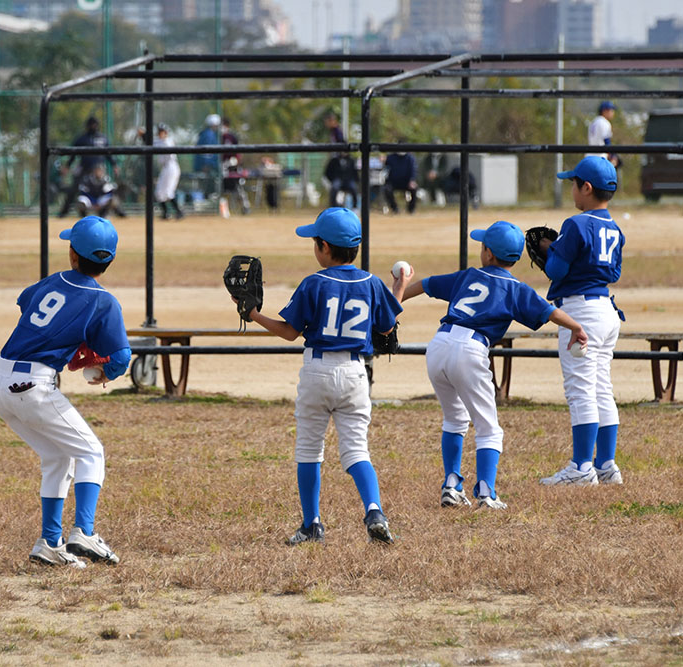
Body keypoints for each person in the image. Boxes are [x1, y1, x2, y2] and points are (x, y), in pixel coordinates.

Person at [244, 207, 406, 545]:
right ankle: (374, 510)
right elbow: (387, 328)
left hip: (317, 370)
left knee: (308, 449)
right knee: (357, 450)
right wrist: (397, 286)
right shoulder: (371, 282)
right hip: (355, 373)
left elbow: (290, 332)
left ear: (325, 248)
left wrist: (253, 313)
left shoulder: (314, 283)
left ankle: (311, 523)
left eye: (316, 242)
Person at [399, 221, 588, 509]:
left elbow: (425, 285)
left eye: (482, 245)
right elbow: (550, 312)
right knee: (488, 428)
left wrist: (395, 300)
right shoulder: (516, 289)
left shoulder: (468, 276)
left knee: (455, 419)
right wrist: (576, 327)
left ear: (488, 254)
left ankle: (451, 485)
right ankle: (486, 494)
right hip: (470, 349)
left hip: (439, 345)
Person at [0, 215, 131, 567]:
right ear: (110, 261)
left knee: (58, 457)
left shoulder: (53, 281)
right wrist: (103, 370)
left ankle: (50, 543)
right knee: (91, 453)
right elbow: (122, 357)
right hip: (34, 385)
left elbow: (26, 303)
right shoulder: (103, 300)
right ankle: (84, 531)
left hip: (0, 382)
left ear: (72, 254)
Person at [539, 156, 625, 487]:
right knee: (602, 386)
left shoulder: (576, 224)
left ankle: (580, 467)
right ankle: (605, 465)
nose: (571, 189)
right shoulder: (615, 228)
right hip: (605, 309)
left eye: (573, 184)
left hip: (580, 312)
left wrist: (552, 250)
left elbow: (557, 270)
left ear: (586, 188)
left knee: (580, 389)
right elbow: (613, 272)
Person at [59, 116, 117, 218]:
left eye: (95, 124)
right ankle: (64, 212)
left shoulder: (102, 138)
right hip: (85, 168)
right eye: (91, 124)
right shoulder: (82, 139)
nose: (93, 126)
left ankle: (118, 213)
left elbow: (109, 154)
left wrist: (114, 165)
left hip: (100, 170)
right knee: (74, 189)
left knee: (107, 191)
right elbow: (73, 154)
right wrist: (67, 166)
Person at [322, 111, 359, 209]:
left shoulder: (337, 131)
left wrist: (341, 153)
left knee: (353, 187)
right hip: (337, 170)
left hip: (345, 174)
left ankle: (355, 207)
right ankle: (333, 207)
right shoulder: (332, 132)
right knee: (334, 187)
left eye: (328, 121)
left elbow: (341, 143)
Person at [220, 117, 251, 215]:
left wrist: (235, 161)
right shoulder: (217, 137)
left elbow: (238, 153)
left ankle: (245, 207)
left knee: (238, 188)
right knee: (221, 189)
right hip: (222, 167)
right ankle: (224, 209)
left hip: (233, 167)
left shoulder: (232, 137)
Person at [154, 124, 183, 219]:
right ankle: (166, 213)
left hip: (172, 167)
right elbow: (152, 142)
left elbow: (158, 144)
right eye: (159, 131)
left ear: (166, 132)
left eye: (162, 131)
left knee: (168, 192)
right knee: (159, 192)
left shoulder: (167, 141)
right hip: (165, 168)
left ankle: (179, 212)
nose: (160, 133)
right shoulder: (159, 141)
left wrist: (144, 136)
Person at [193, 114, 222, 198]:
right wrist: (206, 164)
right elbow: (206, 152)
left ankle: (207, 196)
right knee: (207, 184)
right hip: (207, 166)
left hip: (209, 165)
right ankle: (207, 197)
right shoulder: (208, 134)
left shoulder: (208, 133)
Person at [588, 101, 621, 168]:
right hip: (600, 157)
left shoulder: (594, 122)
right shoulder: (604, 122)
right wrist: (613, 156)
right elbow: (606, 141)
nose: (612, 113)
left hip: (589, 157)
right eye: (611, 110)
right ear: (605, 111)